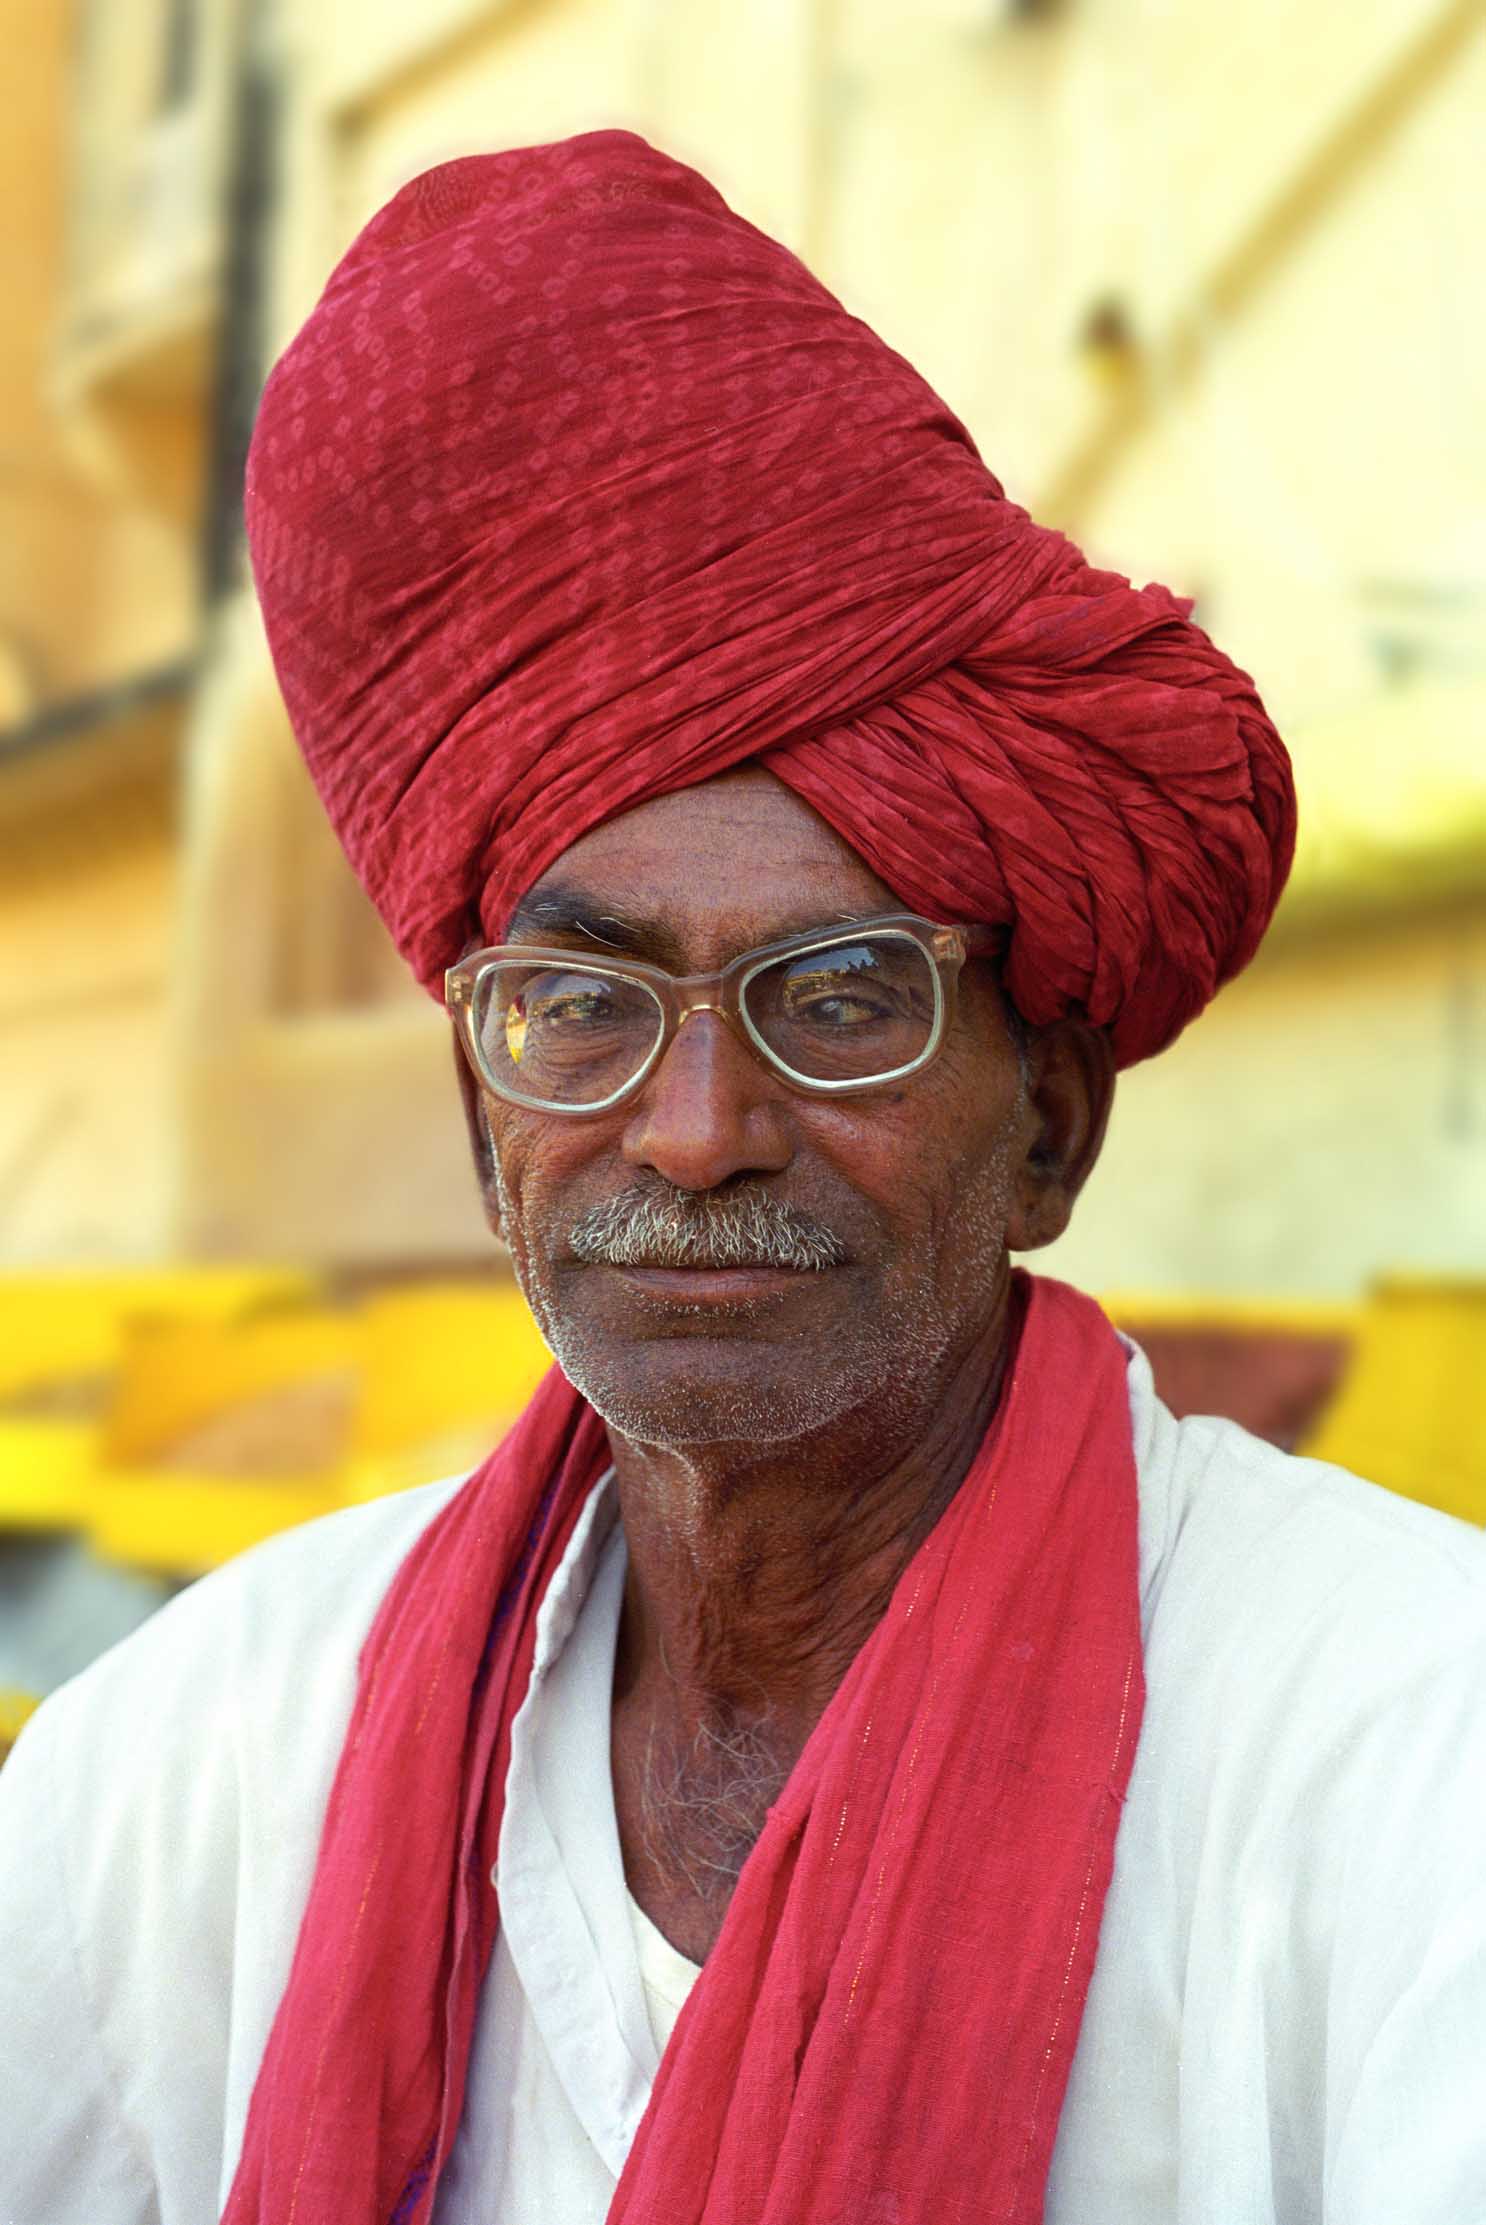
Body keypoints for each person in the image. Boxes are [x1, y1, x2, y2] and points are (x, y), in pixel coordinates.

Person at [1, 130, 1483, 2225]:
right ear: (478, 1108)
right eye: (580, 1009)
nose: (695, 1131)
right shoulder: (175, 1785)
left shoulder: (1409, 1762)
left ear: (1049, 1116)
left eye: (845, 992)